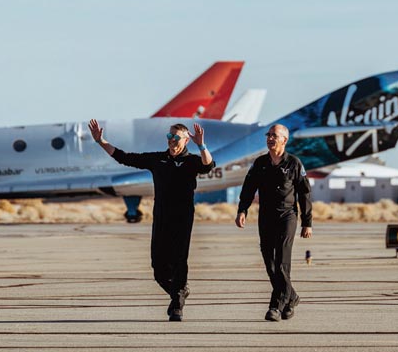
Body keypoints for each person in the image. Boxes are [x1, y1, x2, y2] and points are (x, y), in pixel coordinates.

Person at [88, 119, 214, 321]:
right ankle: (178, 292)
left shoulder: (191, 162)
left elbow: (208, 166)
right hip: (161, 215)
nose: (171, 140)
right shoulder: (157, 159)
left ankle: (177, 305)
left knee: (179, 260)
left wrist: (201, 145)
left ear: (185, 140)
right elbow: (125, 158)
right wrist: (101, 141)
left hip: (183, 217)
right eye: (169, 136)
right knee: (158, 268)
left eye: (176, 137)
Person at [235, 123, 313, 321]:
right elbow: (248, 188)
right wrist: (242, 210)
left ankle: (275, 307)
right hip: (266, 216)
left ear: (284, 140)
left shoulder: (294, 164)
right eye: (268, 135)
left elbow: (304, 194)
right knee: (269, 261)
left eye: (274, 135)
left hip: (287, 217)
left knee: (281, 262)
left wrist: (307, 222)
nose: (270, 138)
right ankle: (291, 296)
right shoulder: (260, 163)